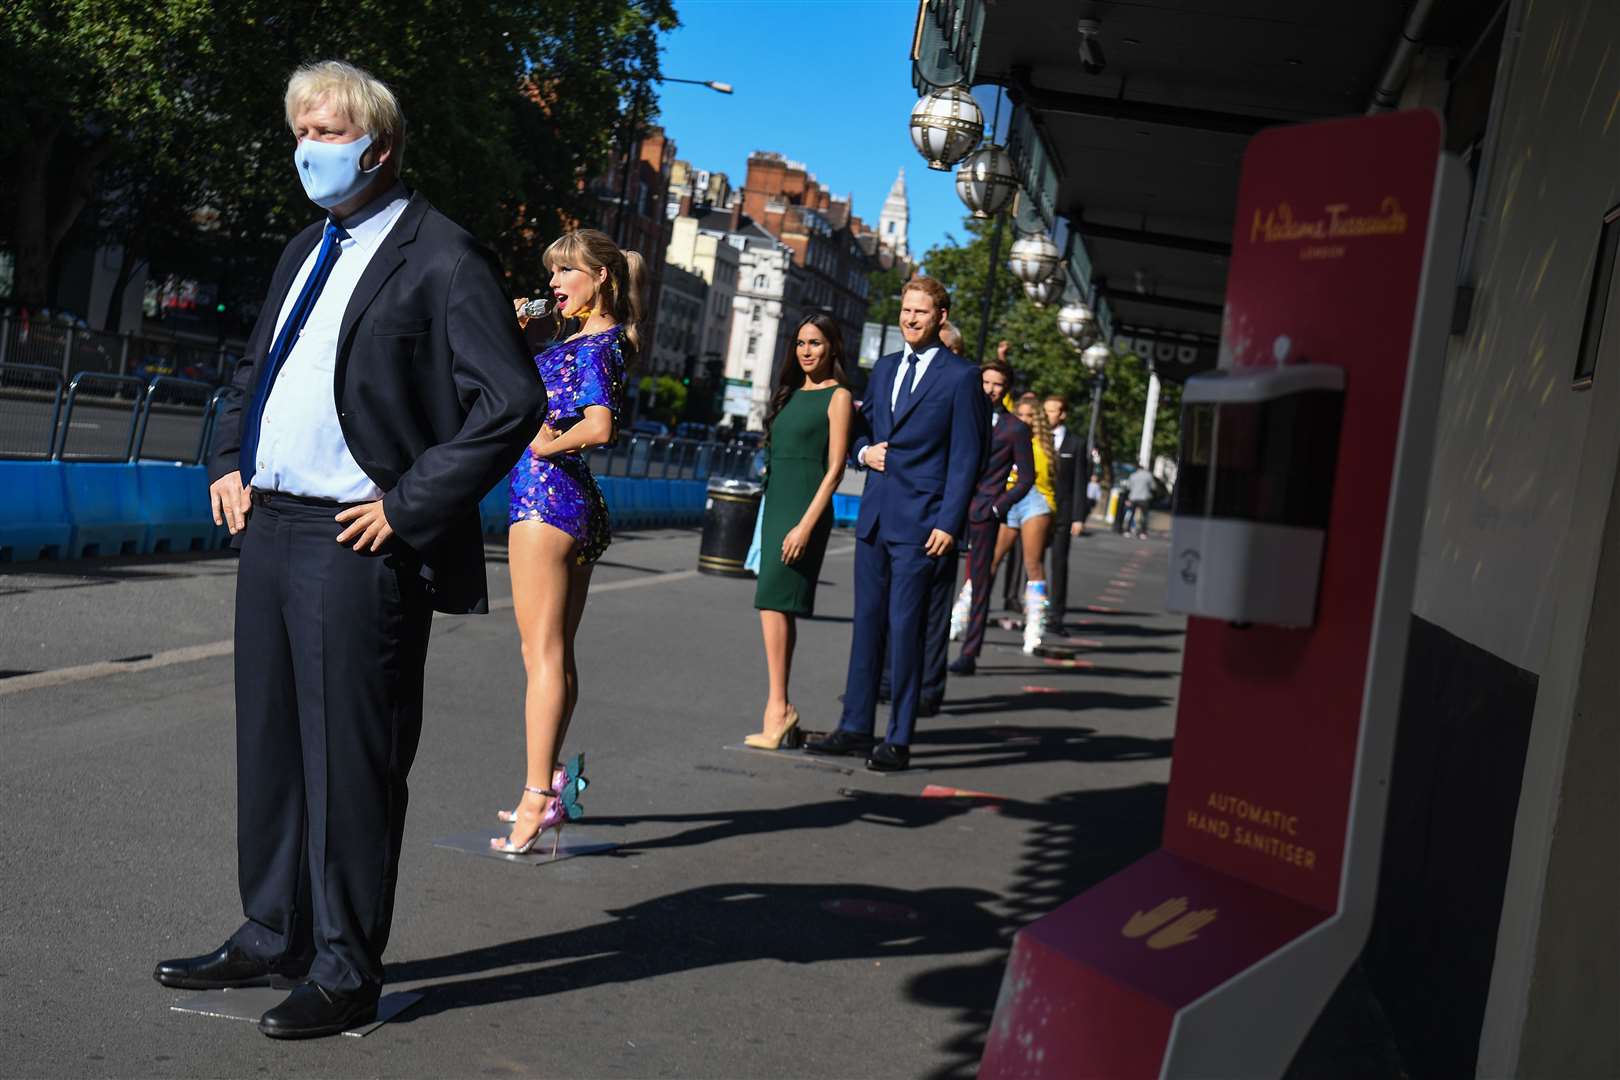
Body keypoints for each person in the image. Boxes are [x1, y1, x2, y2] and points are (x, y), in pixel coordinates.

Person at [155, 61, 546, 1039]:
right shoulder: (304, 248)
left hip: (355, 537)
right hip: (272, 523)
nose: (307, 149)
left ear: (376, 145)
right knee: (275, 744)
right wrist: (229, 457)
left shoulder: (443, 256)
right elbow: (258, 366)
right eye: (299, 130)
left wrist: (410, 504)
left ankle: (343, 967)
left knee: (352, 763)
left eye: (325, 131)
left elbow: (513, 404)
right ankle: (272, 929)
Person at [492, 228, 639, 854]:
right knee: (557, 653)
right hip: (569, 502)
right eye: (552, 272)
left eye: (567, 272)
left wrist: (545, 442)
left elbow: (601, 426)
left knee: (541, 656)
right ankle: (547, 783)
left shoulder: (597, 343)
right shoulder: (580, 338)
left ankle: (536, 797)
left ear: (601, 276)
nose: (554, 283)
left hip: (544, 499)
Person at [806, 277, 986, 772]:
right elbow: (862, 431)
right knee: (867, 626)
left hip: (924, 523)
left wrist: (951, 522)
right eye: (906, 310)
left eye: (921, 313)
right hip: (876, 517)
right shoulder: (884, 368)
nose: (910, 319)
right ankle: (855, 727)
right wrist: (864, 452)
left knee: (905, 631)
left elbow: (968, 456)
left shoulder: (961, 377)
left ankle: (898, 737)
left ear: (940, 317)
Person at [743, 314, 854, 749]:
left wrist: (805, 526)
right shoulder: (789, 394)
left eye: (816, 343)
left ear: (833, 348)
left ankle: (778, 709)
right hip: (776, 504)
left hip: (805, 509)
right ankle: (779, 708)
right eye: (801, 343)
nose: (807, 351)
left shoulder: (838, 396)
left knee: (773, 599)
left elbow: (836, 468)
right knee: (772, 604)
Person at [947, 360, 1033, 676]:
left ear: (1006, 388)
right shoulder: (961, 414)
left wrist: (999, 506)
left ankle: (969, 652)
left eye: (997, 384)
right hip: (950, 507)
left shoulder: (1015, 428)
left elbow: (1026, 478)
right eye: (985, 382)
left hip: (985, 513)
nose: (990, 389)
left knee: (979, 582)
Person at [1044, 394, 1081, 633]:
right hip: (1037, 508)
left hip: (1063, 512)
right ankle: (1032, 610)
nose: (1048, 415)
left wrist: (1078, 517)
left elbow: (1080, 481)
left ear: (1063, 414)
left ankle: (1057, 616)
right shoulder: (1034, 437)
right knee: (1032, 563)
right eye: (1045, 410)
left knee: (1059, 563)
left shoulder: (1075, 443)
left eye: (1053, 411)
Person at [1127, 465, 1159, 538]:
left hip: (1133, 497)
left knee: (1131, 514)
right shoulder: (1148, 475)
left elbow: (1129, 487)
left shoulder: (1133, 475)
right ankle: (1142, 533)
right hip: (1144, 498)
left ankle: (1128, 531)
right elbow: (1153, 487)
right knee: (1144, 516)